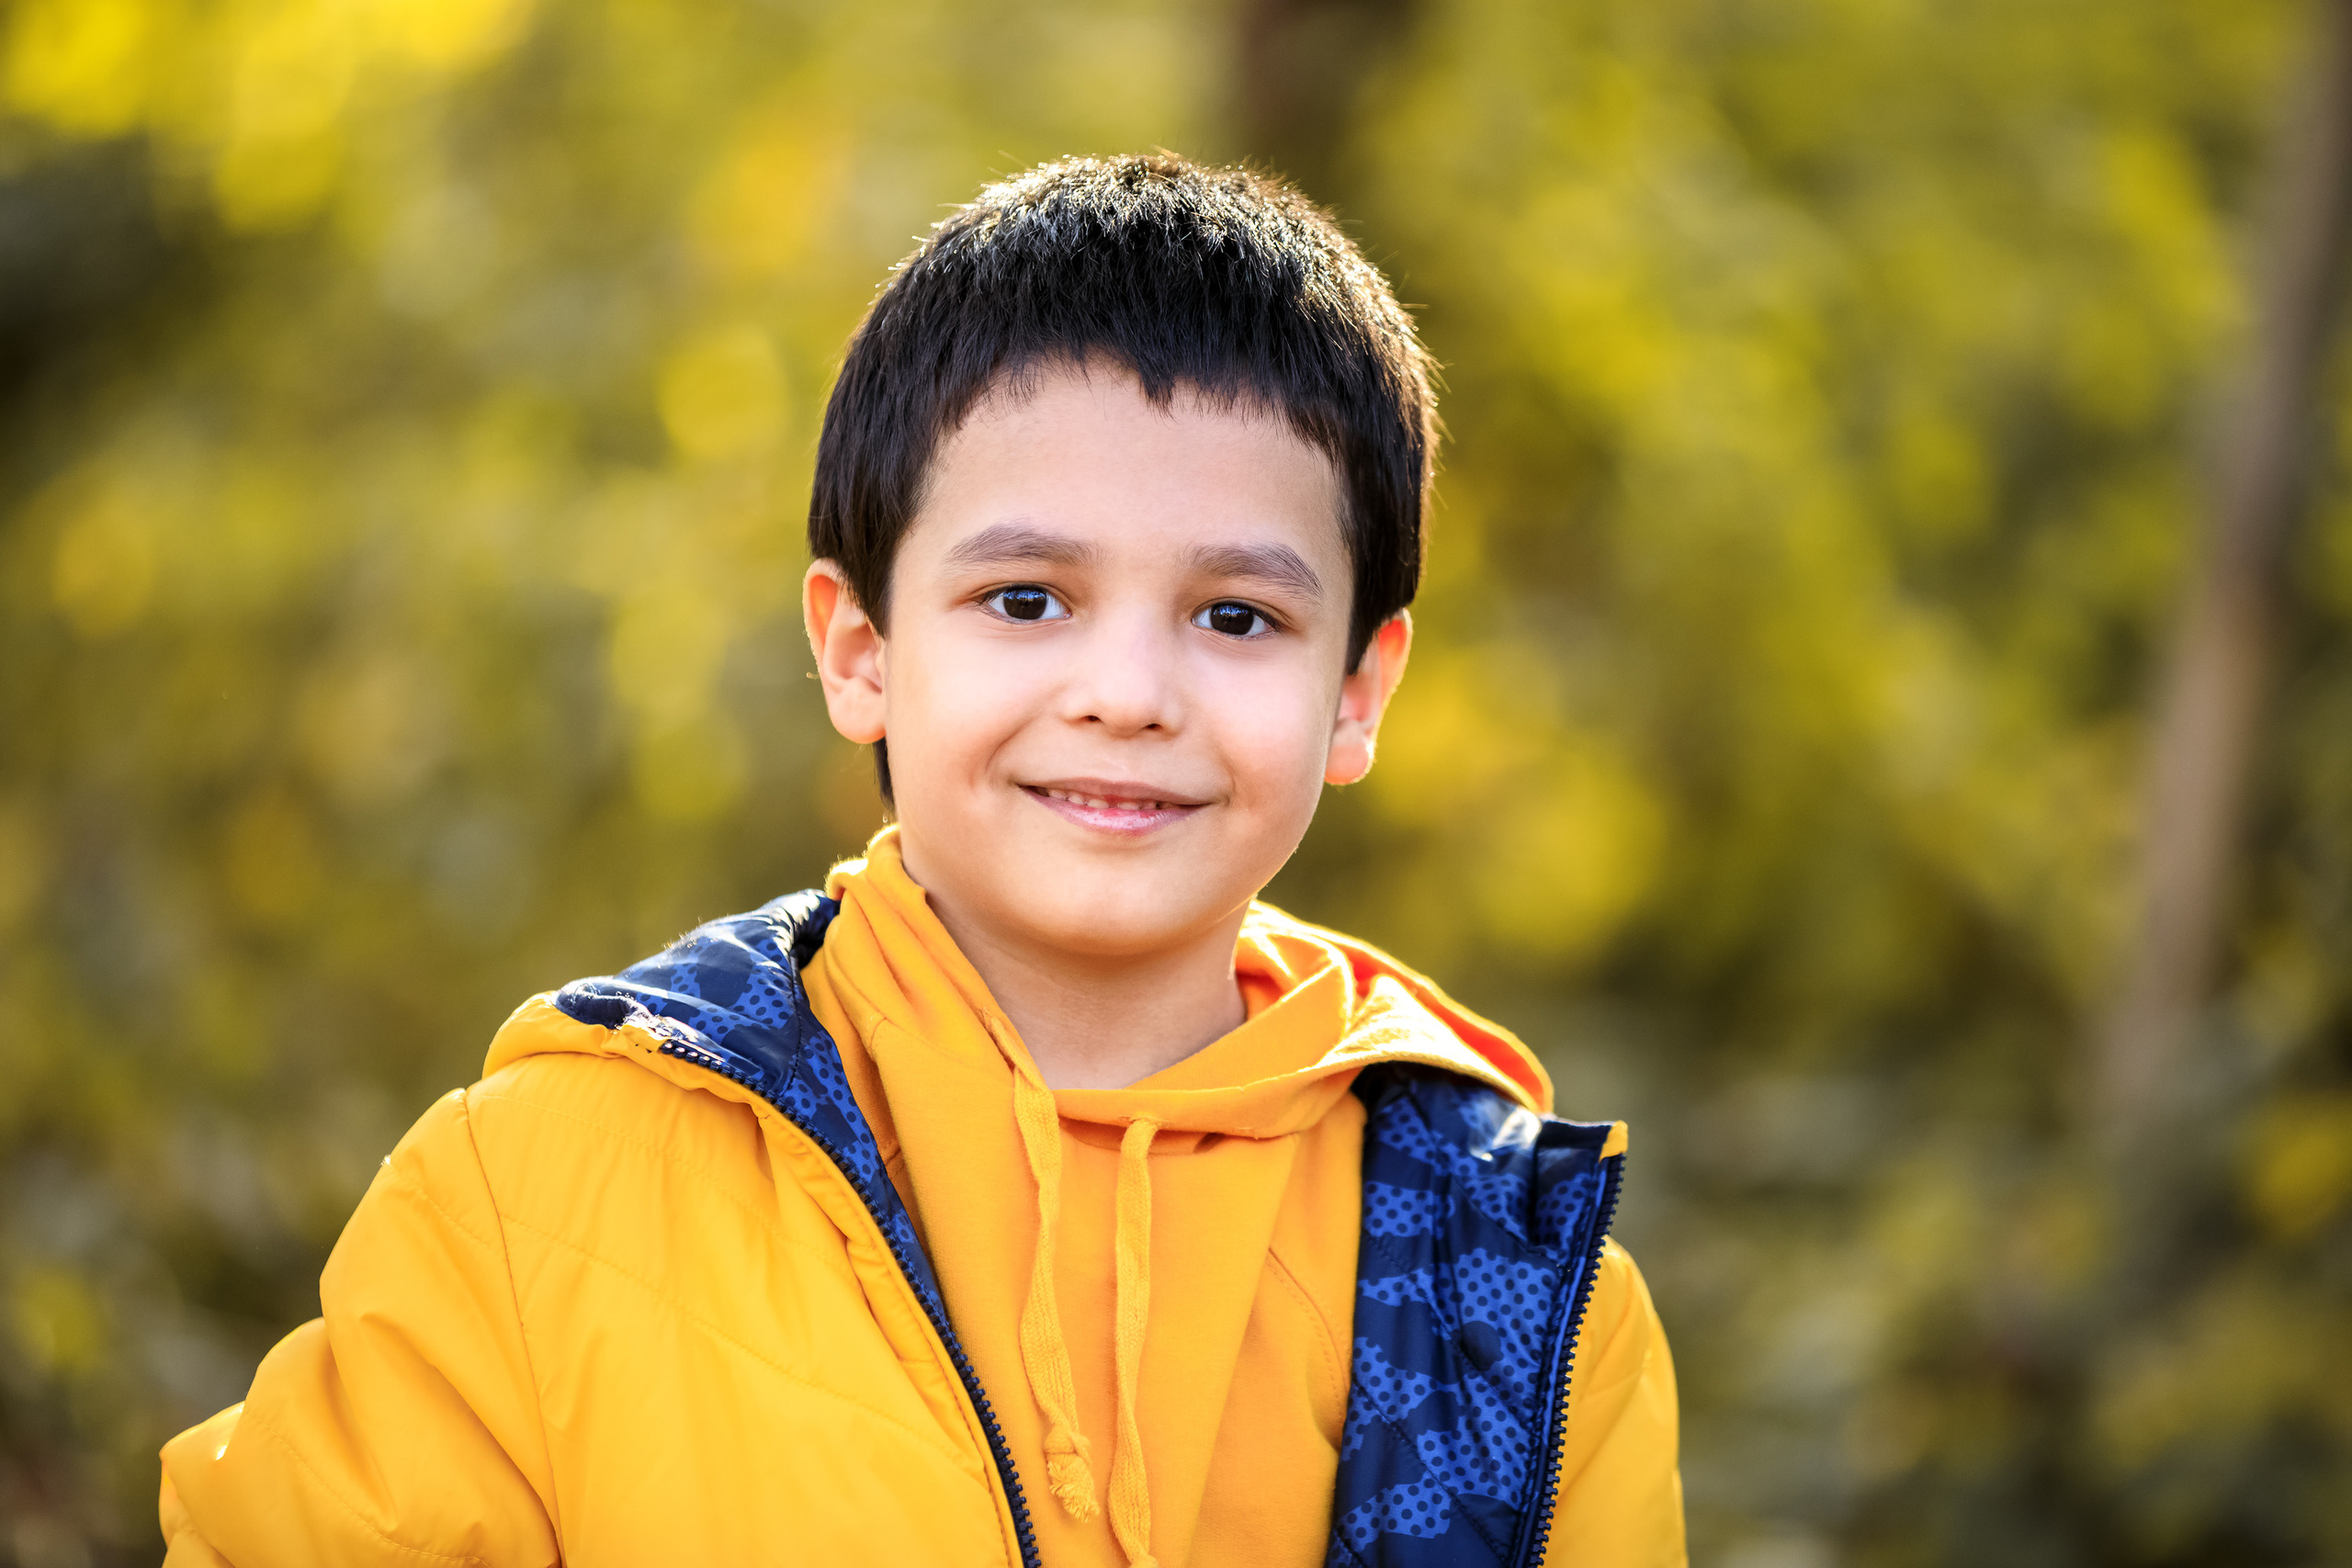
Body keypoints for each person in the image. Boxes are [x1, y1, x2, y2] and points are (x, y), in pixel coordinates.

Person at [157, 153, 1684, 1568]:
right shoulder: (547, 1181)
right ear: (861, 649)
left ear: (1357, 690)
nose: (1127, 692)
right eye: (1027, 600)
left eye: (1237, 618)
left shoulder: (1519, 1296)